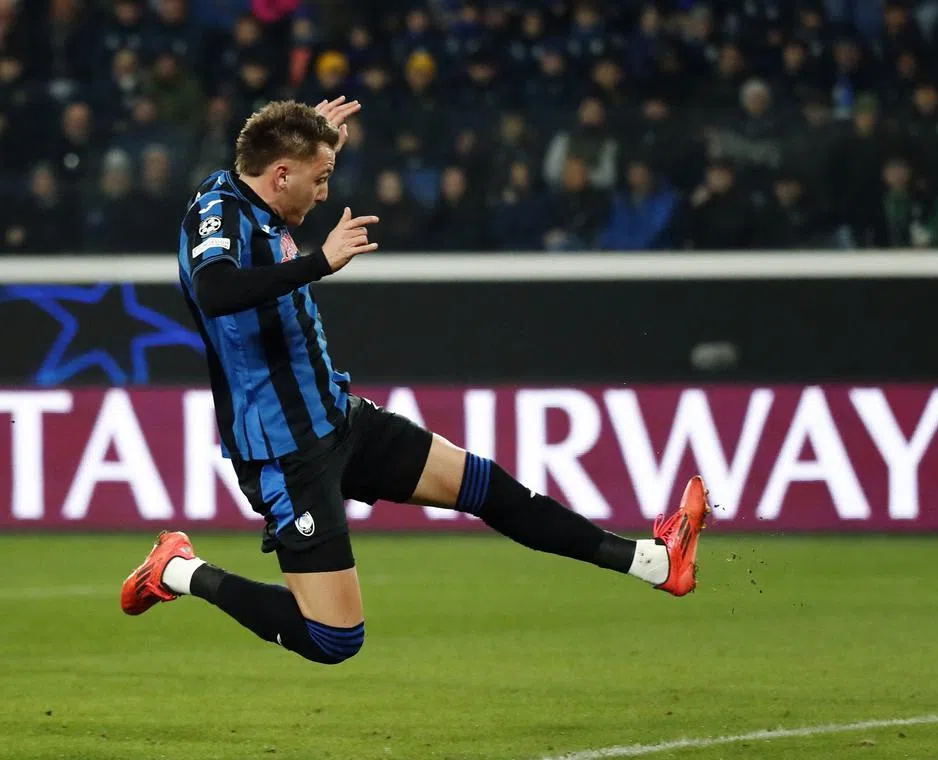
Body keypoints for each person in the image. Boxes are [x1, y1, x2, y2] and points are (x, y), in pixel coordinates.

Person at [119, 96, 711, 666]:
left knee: (486, 487)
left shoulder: (263, 196)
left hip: (338, 417)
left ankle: (654, 562)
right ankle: (177, 570)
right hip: (284, 450)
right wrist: (319, 262)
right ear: (279, 175)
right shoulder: (215, 212)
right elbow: (216, 290)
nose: (325, 193)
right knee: (332, 638)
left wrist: (311, 136)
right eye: (318, 179)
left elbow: (279, 167)